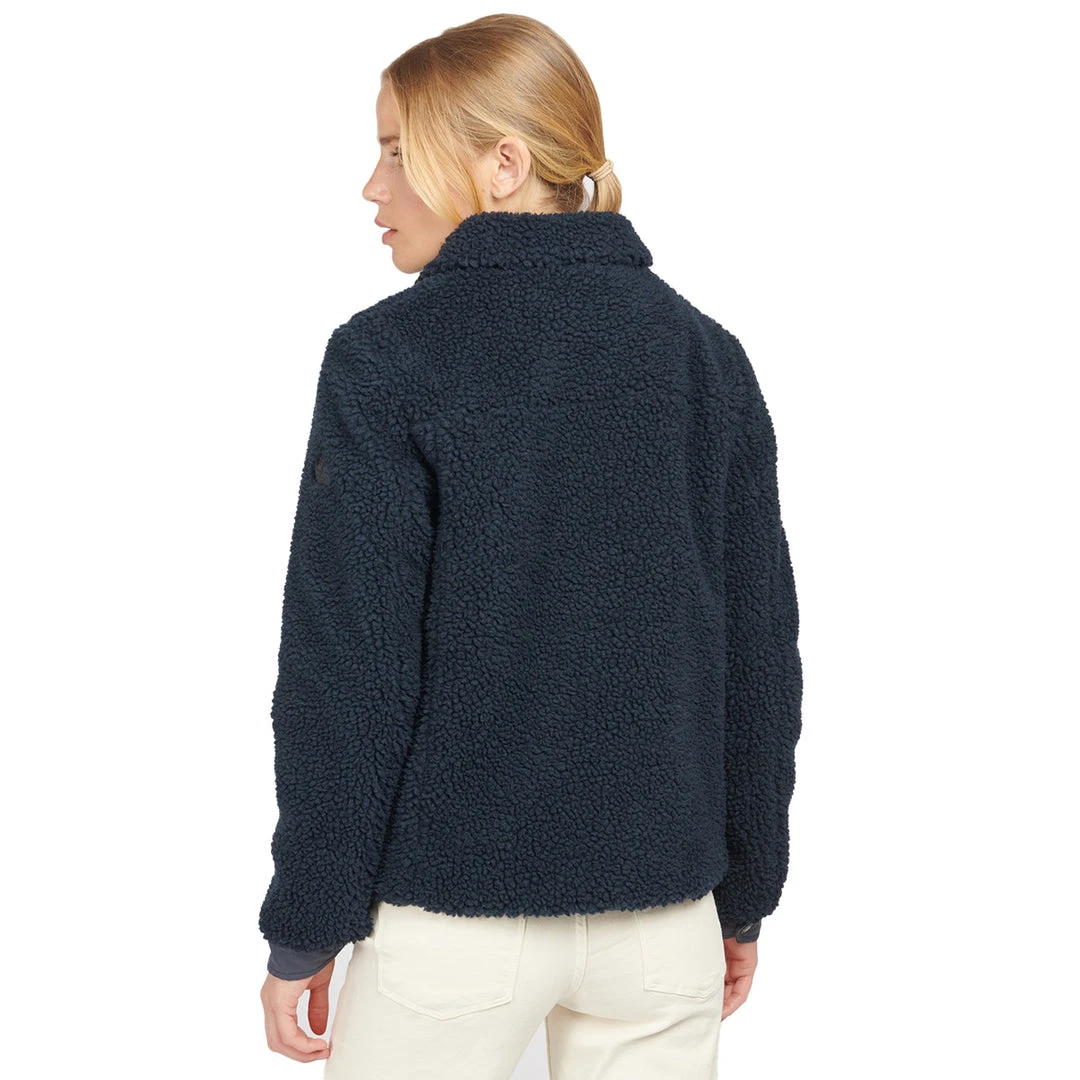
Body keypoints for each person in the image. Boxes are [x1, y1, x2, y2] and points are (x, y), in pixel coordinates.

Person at [258, 13, 803, 1079]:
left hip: (455, 922)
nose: (371, 188)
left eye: (397, 152)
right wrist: (743, 897)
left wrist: (307, 922)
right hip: (664, 925)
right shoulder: (705, 356)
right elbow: (758, 661)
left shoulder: (387, 357)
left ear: (502, 165)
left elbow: (348, 670)